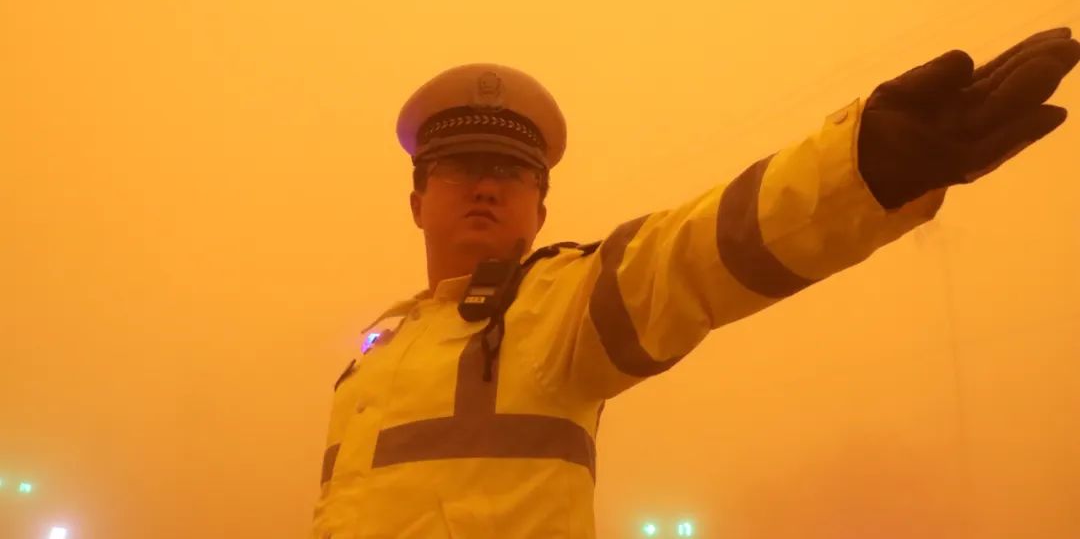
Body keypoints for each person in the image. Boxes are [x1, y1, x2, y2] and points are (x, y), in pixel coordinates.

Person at [310, 28, 1079, 539]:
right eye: (460, 169)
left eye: (510, 173)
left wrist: (862, 168)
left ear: (540, 211)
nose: (486, 186)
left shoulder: (554, 309)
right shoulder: (368, 365)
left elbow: (692, 254)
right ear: (417, 201)